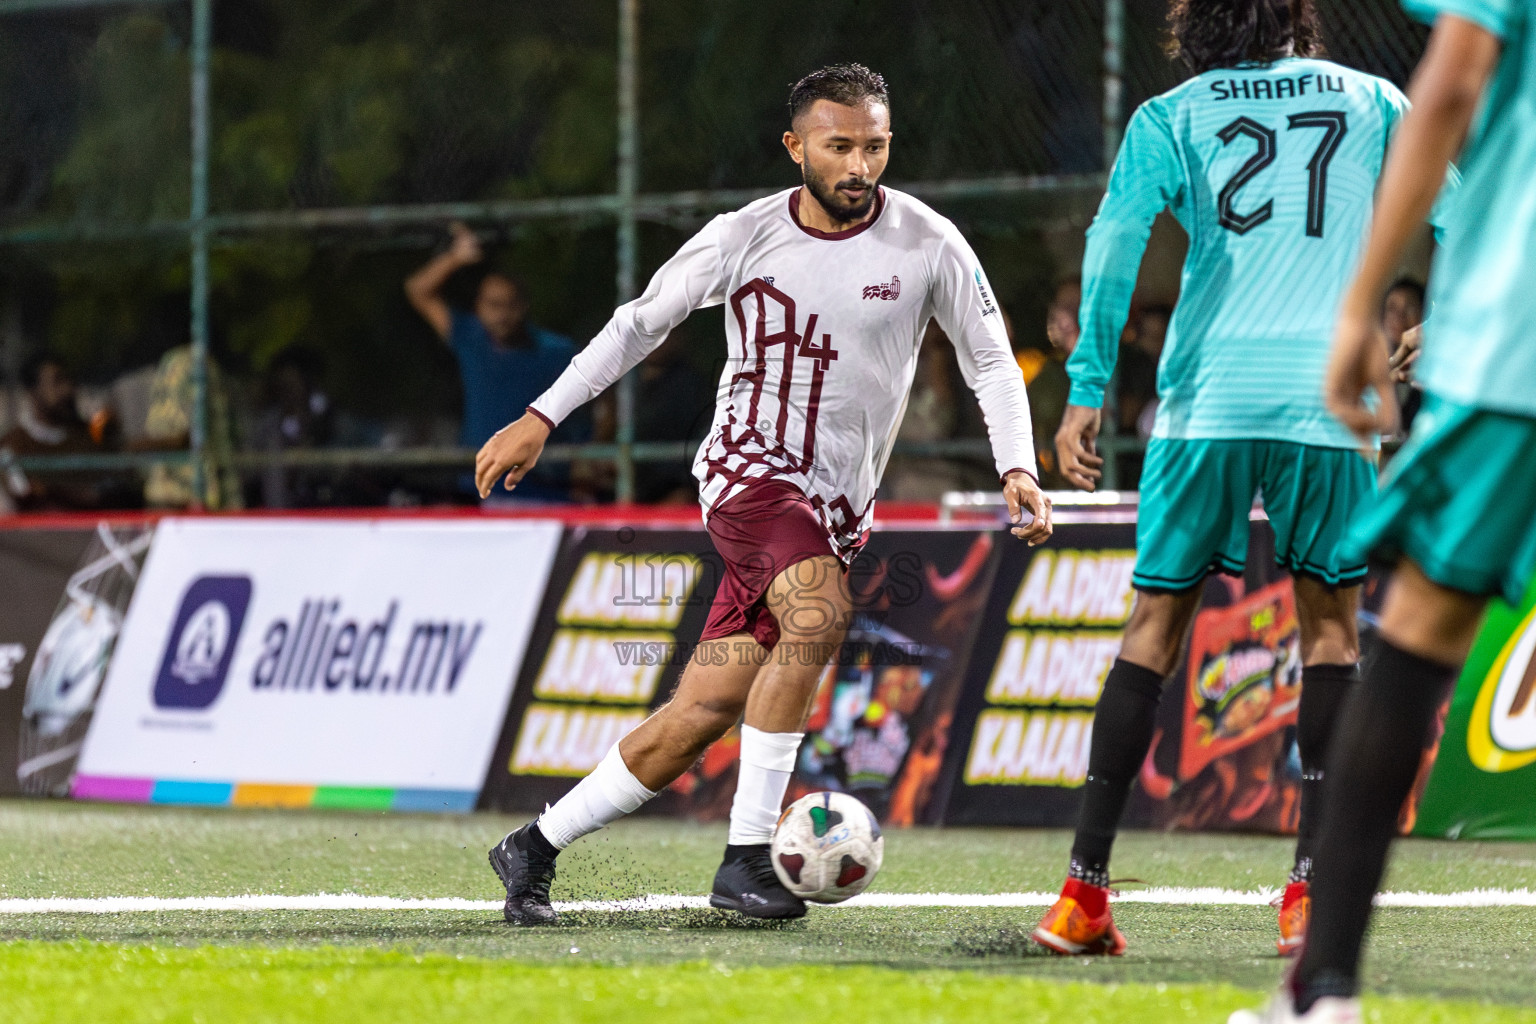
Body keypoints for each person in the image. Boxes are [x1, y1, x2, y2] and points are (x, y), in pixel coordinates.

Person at [475, 63, 1053, 925]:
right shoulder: (742, 236)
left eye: (875, 146)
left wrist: (1018, 465)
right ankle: (747, 860)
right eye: (840, 146)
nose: (859, 166)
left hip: (836, 509)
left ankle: (534, 846)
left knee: (697, 715)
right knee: (820, 610)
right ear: (797, 148)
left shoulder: (929, 242)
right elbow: (641, 324)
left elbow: (993, 360)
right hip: (749, 474)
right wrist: (542, 414)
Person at [1040, 0, 1449, 959]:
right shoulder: (1375, 101)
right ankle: (1307, 897)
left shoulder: (1170, 116)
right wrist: (1451, 320)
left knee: (1153, 626)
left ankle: (1082, 895)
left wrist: (1089, 385)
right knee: (1331, 632)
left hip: (1204, 402)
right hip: (1329, 400)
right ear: (1297, 19)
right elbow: (1463, 209)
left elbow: (1112, 248)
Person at [1235, 4, 1526, 1022]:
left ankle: (1321, 992)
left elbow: (1447, 88)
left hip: (1517, 352)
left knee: (1415, 635)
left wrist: (1363, 304)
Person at [404, 225, 585, 503]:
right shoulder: (469, 337)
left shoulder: (557, 352)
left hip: (543, 493)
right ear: (478, 307)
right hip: (479, 492)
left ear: (524, 306)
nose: (502, 315)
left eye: (510, 305)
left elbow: (604, 398)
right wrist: (455, 258)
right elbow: (418, 290)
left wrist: (586, 455)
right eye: (494, 305)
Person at [140, 344, 242, 511]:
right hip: (184, 491)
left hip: (189, 492)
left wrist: (134, 447)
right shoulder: (187, 362)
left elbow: (189, 437)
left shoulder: (184, 363)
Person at [0, 353, 107, 511]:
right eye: (57, 382)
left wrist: (48, 488)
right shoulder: (13, 444)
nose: (67, 389)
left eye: (68, 380)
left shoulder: (88, 436)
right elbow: (22, 493)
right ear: (33, 391)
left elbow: (102, 492)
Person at [1381, 277, 1426, 431]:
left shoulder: (1426, 369)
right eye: (1392, 307)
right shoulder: (1369, 366)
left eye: (1410, 308)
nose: (1399, 316)